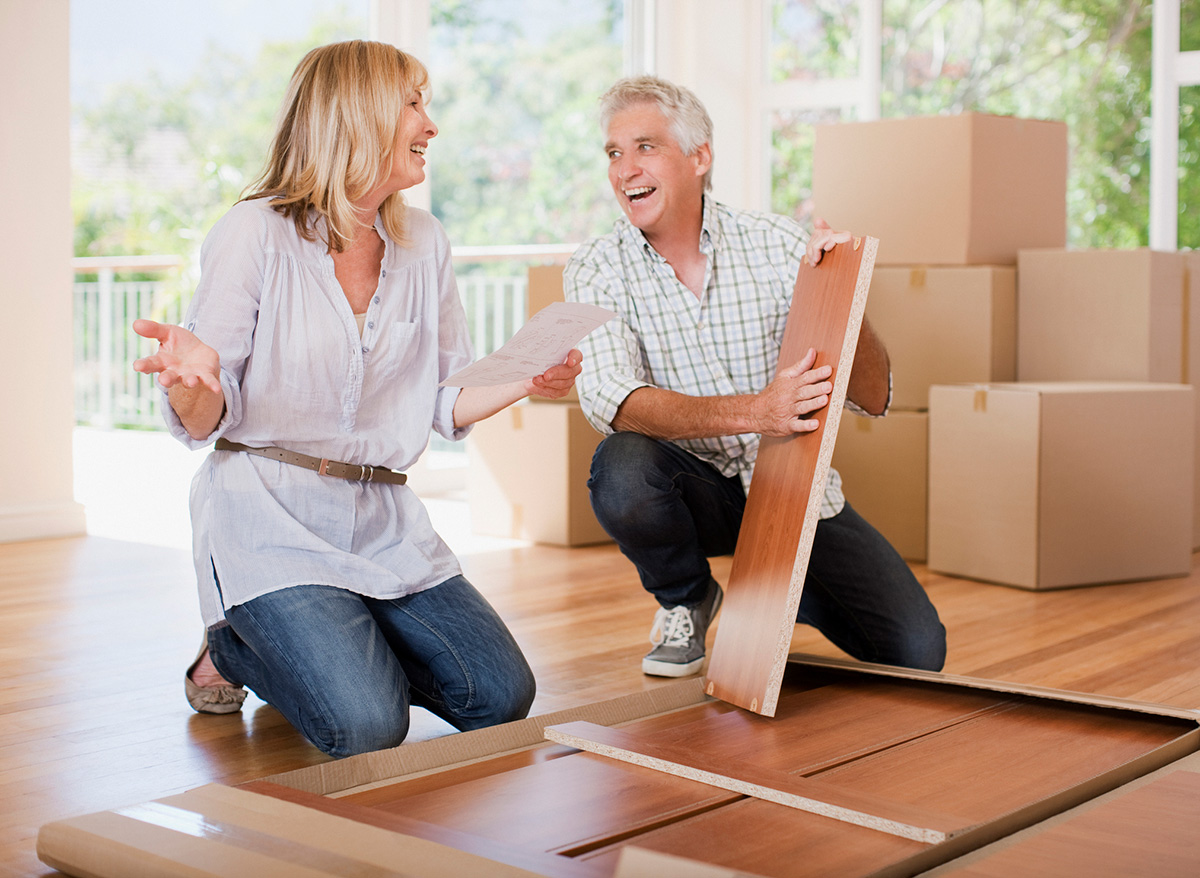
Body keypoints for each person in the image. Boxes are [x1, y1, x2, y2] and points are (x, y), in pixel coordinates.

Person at [132, 40, 581, 758]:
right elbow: (208, 413)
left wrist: (524, 379)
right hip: (269, 515)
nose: (431, 124)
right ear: (355, 114)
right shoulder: (255, 234)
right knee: (369, 726)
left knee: (500, 695)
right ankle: (235, 644)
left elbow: (444, 396)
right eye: (414, 103)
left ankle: (318, 645)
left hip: (384, 523)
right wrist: (191, 386)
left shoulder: (424, 242)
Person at [564, 75, 945, 678]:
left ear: (700, 157)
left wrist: (843, 289)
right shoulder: (596, 268)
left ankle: (789, 587)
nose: (624, 169)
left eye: (645, 147)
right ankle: (685, 595)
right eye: (613, 152)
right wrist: (758, 411)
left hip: (795, 493)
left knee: (919, 653)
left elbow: (873, 398)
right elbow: (613, 400)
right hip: (695, 491)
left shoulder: (778, 244)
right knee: (622, 466)